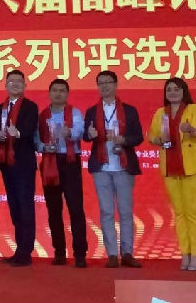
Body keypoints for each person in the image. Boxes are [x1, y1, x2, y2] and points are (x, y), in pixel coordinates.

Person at [148, 78, 196, 271]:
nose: (172, 92)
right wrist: (157, 140)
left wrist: (190, 130)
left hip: (191, 166)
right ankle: (185, 254)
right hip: (170, 166)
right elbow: (151, 136)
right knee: (179, 213)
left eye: (176, 89)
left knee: (193, 213)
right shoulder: (161, 113)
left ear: (184, 91)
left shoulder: (194, 109)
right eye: (169, 89)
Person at [84, 70, 144, 269]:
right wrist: (90, 134)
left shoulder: (129, 110)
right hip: (101, 167)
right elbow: (85, 136)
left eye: (108, 82)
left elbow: (138, 137)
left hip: (123, 166)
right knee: (106, 211)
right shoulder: (92, 111)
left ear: (116, 85)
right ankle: (111, 254)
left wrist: (123, 140)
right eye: (100, 83)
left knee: (125, 211)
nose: (104, 86)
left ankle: (127, 253)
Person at [35, 79, 87, 268]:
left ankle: (80, 254)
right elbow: (36, 140)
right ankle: (59, 252)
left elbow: (80, 131)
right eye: (55, 90)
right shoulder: (42, 115)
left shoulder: (75, 112)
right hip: (50, 162)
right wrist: (43, 147)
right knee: (54, 209)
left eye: (62, 90)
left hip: (70, 162)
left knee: (76, 208)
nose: (58, 93)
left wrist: (69, 132)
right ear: (49, 93)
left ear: (67, 93)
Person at [0, 69, 39, 267]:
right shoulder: (0, 108)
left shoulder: (30, 106)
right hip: (6, 164)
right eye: (11, 81)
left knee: (25, 206)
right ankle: (19, 248)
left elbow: (29, 130)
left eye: (19, 81)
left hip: (24, 164)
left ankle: (26, 252)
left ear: (25, 85)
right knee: (15, 207)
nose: (15, 84)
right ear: (6, 85)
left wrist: (17, 133)